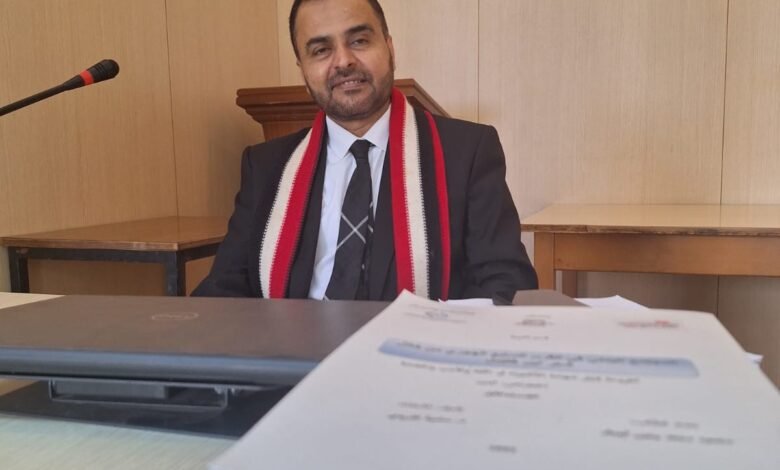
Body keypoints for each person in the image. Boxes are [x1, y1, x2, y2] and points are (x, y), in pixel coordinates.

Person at [193, 0, 537, 301]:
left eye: (359, 40)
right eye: (320, 50)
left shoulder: (467, 153)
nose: (343, 61)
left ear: (389, 48)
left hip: (413, 350)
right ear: (303, 70)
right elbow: (225, 289)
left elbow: (507, 286)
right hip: (294, 351)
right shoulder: (267, 166)